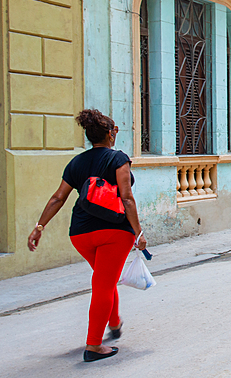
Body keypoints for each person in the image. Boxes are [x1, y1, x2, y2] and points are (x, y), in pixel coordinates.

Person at [27, 109, 147, 362]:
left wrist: (39, 227)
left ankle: (114, 322)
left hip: (80, 233)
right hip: (114, 232)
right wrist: (139, 232)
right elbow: (126, 198)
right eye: (115, 130)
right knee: (103, 284)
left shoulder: (77, 163)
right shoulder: (118, 158)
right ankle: (93, 346)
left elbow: (58, 197)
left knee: (105, 280)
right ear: (111, 133)